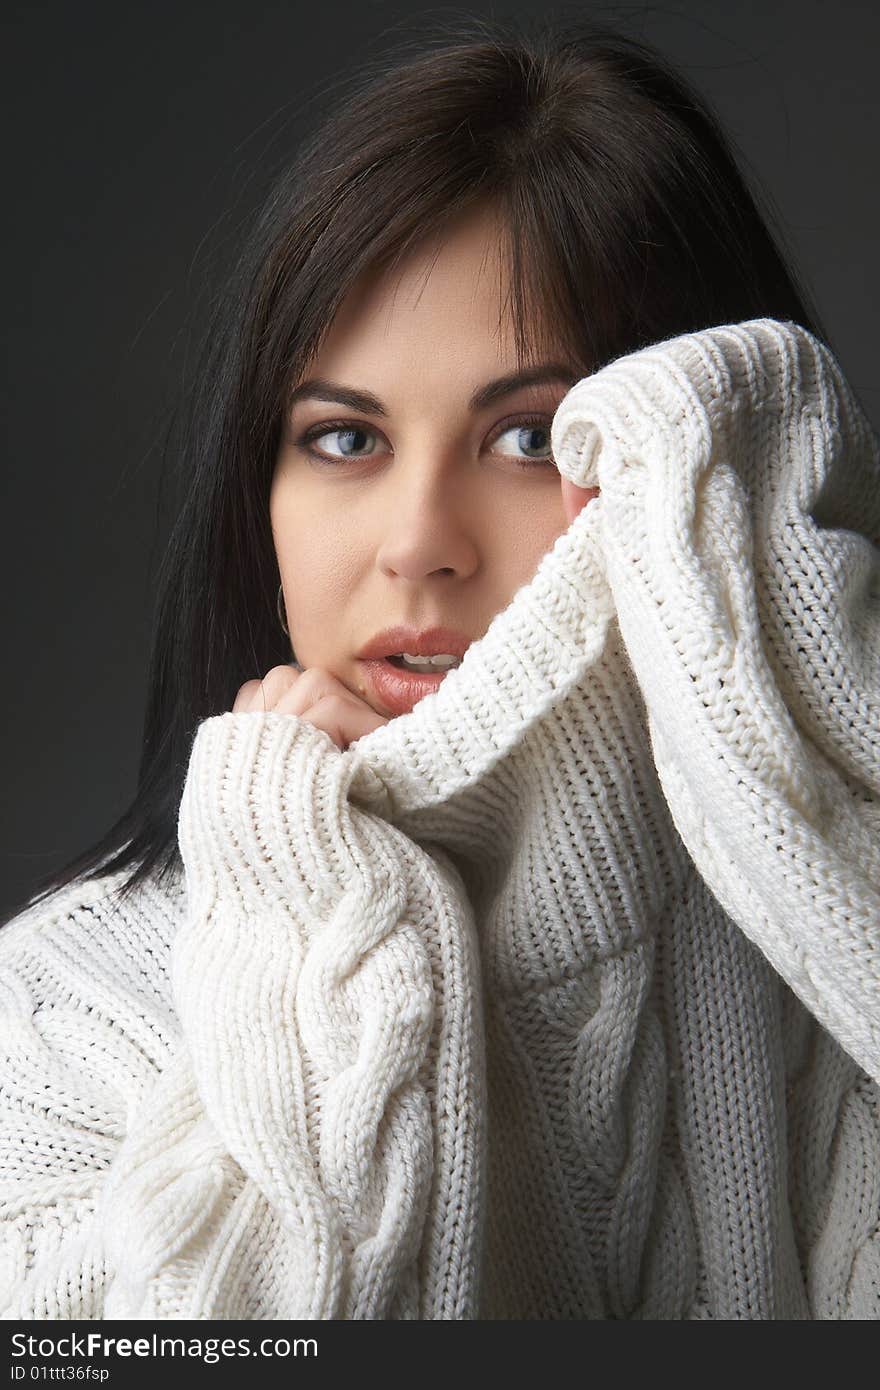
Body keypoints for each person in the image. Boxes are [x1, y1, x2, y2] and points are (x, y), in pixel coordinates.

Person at [1, 15, 878, 1320]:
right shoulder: (52, 1014)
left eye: (532, 436)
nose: (418, 546)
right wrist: (318, 914)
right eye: (345, 440)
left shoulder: (819, 989)